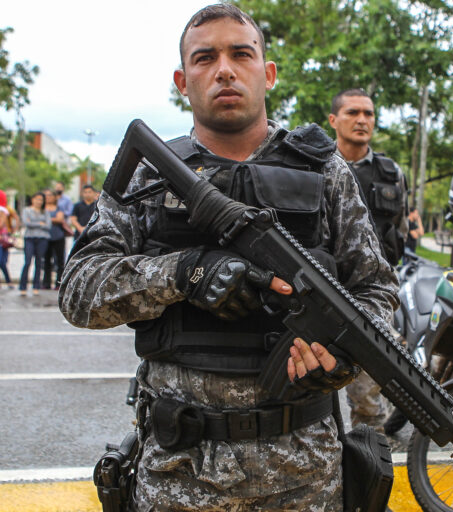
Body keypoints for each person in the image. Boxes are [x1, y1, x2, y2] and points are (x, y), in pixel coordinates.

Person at [58, 5, 398, 511]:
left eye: (242, 54)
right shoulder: (149, 175)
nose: (224, 69)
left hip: (305, 474)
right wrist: (183, 272)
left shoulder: (324, 168)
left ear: (268, 72)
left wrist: (342, 358)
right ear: (182, 79)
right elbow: (79, 291)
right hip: (179, 474)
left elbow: (377, 290)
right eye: (204, 58)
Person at [327, 88, 408, 431]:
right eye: (353, 113)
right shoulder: (314, 165)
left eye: (369, 114)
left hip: (371, 297)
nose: (362, 120)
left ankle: (369, 461)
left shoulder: (392, 174)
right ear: (334, 120)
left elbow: (399, 229)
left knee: (369, 395)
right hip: (326, 292)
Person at [19, 191, 51, 296]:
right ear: (32, 199)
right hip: (29, 238)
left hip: (42, 239)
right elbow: (26, 223)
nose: (39, 201)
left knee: (38, 262)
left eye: (41, 200)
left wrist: (34, 223)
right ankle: (23, 286)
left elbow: (48, 226)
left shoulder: (45, 212)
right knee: (27, 261)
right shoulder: (26, 210)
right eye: (37, 199)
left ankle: (36, 285)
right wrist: (40, 223)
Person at [42, 189, 67, 289]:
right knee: (46, 261)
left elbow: (60, 219)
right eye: (46, 195)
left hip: (58, 236)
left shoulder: (59, 207)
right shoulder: (42, 208)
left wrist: (45, 221)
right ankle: (46, 283)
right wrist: (53, 220)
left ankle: (58, 283)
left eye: (50, 195)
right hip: (45, 237)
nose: (48, 197)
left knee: (60, 261)